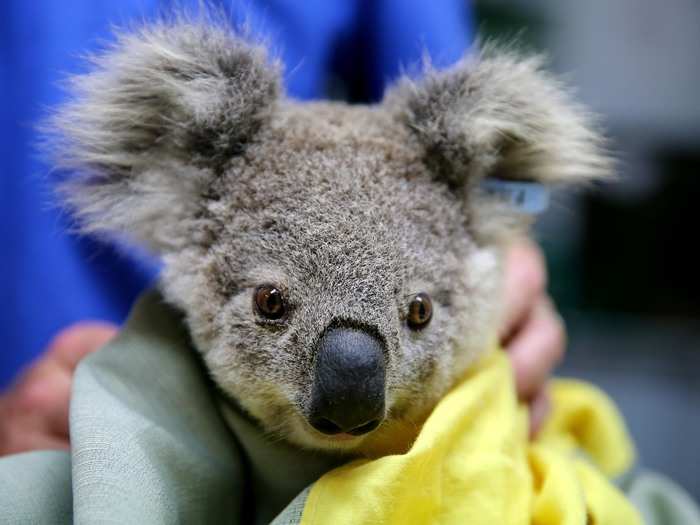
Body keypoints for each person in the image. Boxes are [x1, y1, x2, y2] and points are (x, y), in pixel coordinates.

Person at [0, 1, 564, 455]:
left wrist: (507, 308)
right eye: (272, 303)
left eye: (416, 314)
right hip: (67, 415)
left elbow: (476, 162)